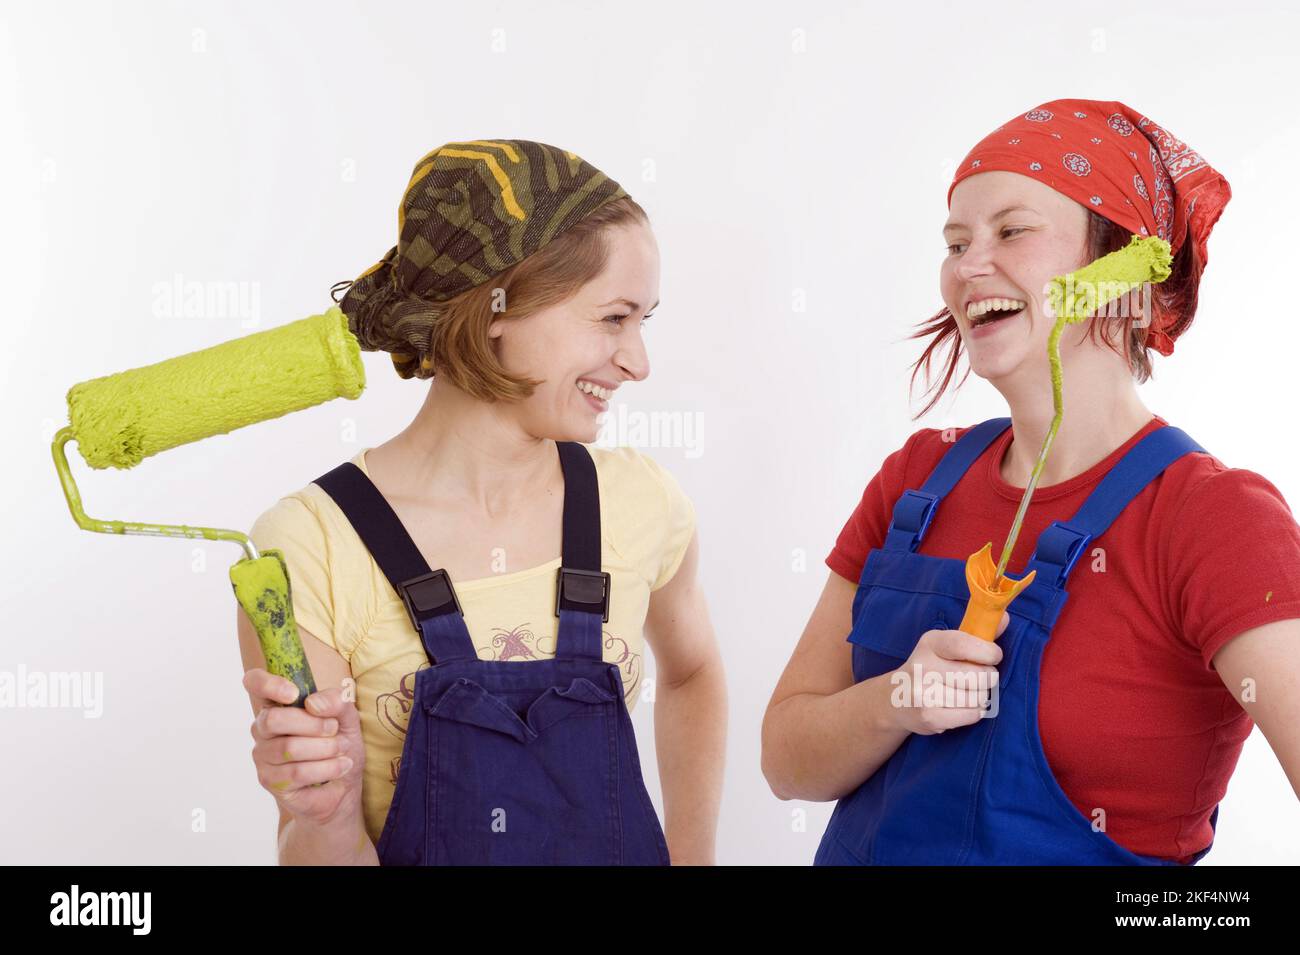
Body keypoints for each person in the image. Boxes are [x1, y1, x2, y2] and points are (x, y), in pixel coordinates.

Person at [762, 100, 1300, 864]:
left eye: (1012, 230)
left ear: (1119, 263)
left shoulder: (1211, 518)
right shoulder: (919, 480)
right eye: (955, 242)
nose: (967, 265)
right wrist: (899, 701)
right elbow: (785, 758)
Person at [236, 139, 726, 865]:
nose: (638, 362)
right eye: (614, 318)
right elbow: (308, 841)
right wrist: (325, 815)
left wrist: (693, 855)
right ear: (499, 305)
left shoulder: (640, 502)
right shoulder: (310, 547)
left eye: (643, 321)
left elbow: (693, 672)